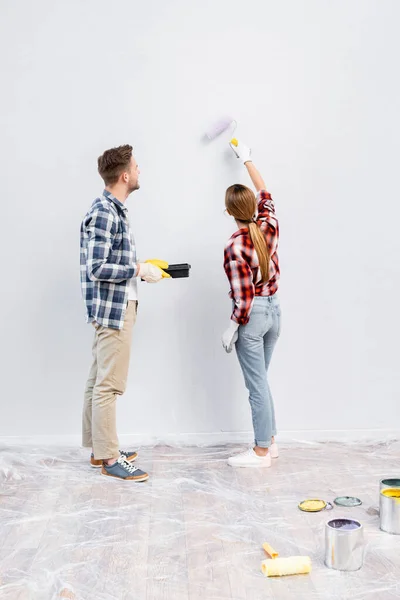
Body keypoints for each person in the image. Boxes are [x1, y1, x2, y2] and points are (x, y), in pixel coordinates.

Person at [80, 144, 169, 481]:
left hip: (115, 306)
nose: (140, 170)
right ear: (124, 175)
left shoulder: (113, 209)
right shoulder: (105, 211)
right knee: (109, 385)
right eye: (136, 166)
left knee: (98, 379)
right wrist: (138, 268)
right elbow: (98, 267)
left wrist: (145, 268)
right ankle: (109, 457)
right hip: (114, 311)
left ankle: (99, 449)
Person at [222, 140, 281, 468]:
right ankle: (270, 442)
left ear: (229, 212)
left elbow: (243, 299)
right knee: (262, 381)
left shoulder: (234, 247)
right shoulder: (268, 227)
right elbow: (265, 193)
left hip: (254, 316)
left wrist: (232, 326)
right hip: (275, 312)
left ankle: (260, 452)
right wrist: (247, 160)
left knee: (256, 385)